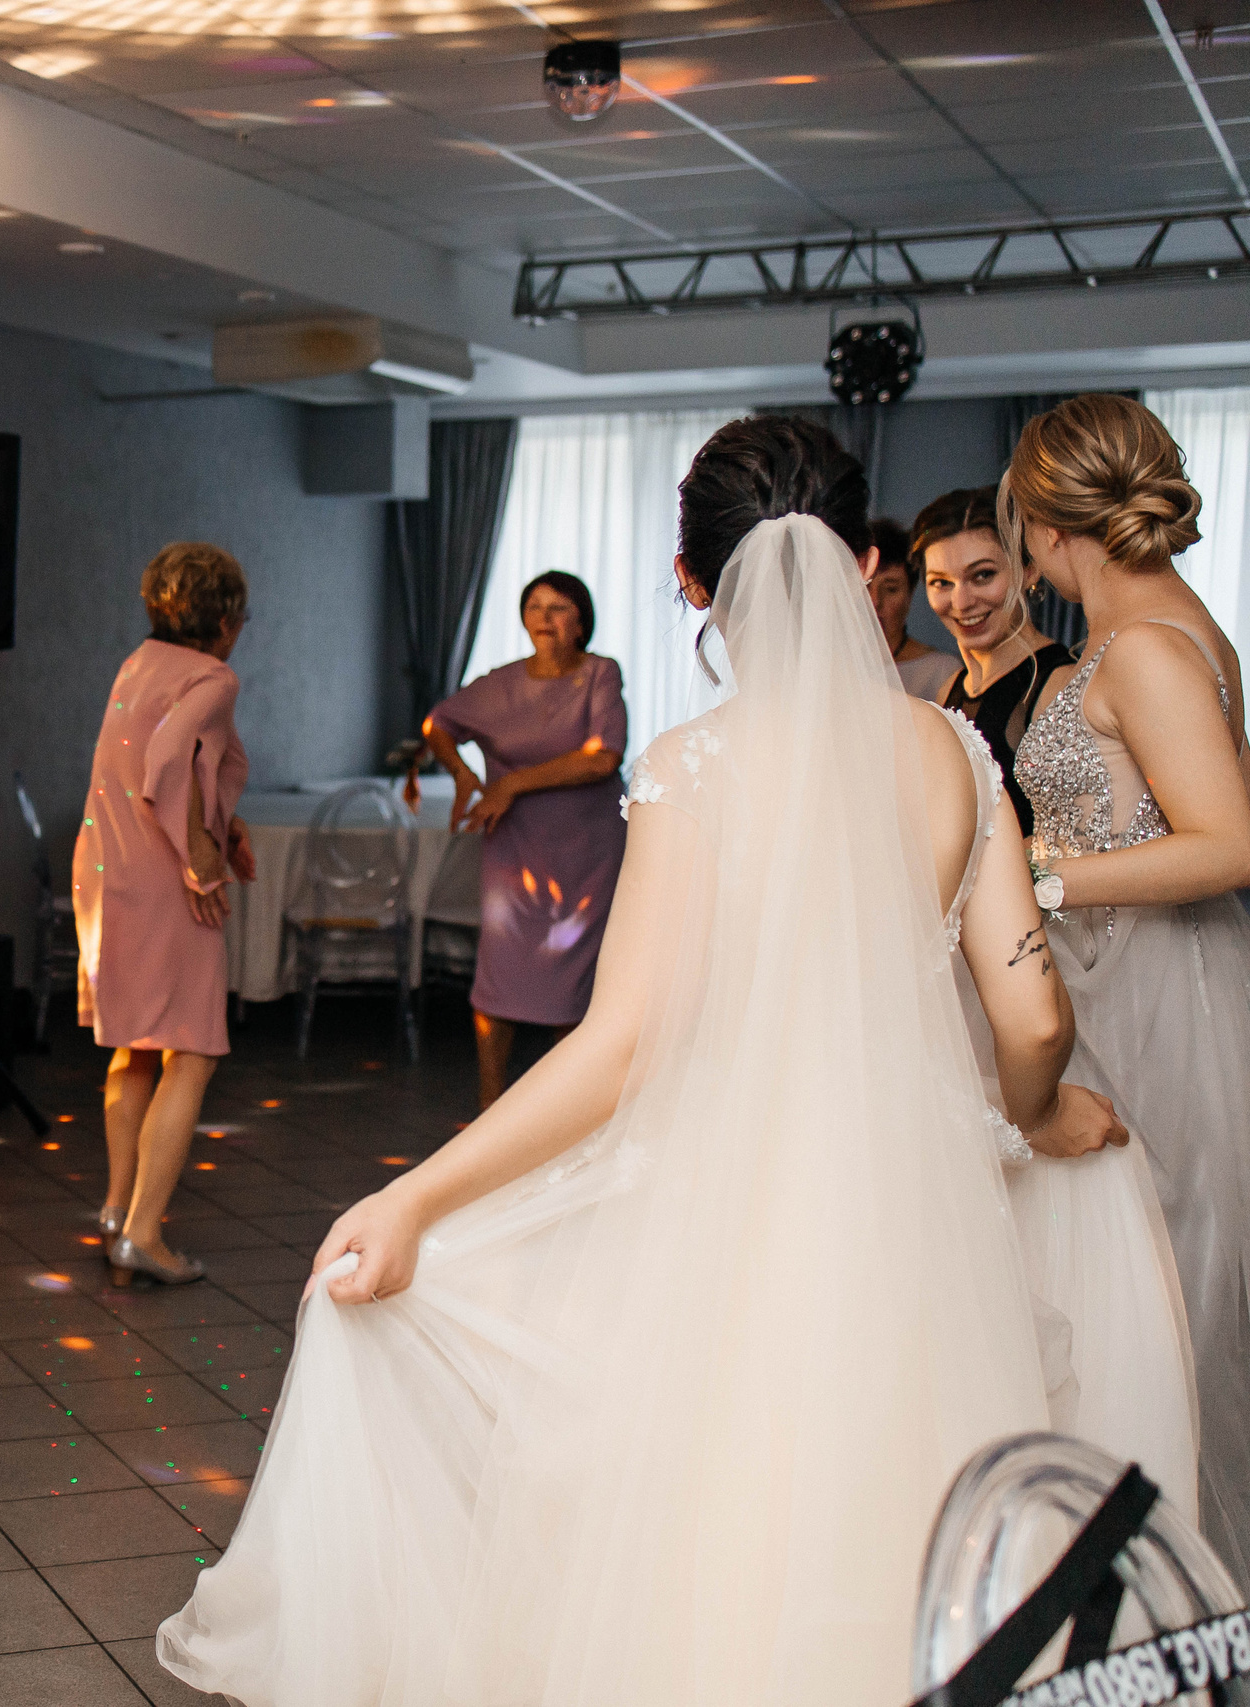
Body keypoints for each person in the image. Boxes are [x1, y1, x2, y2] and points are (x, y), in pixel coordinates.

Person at [161, 415, 1135, 1707]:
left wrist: (413, 1196)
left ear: (695, 583)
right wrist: (1043, 1115)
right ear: (862, 568)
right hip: (920, 1208)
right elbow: (1034, 1021)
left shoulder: (693, 767)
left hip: (720, 1212)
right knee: (901, 1504)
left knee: (712, 1516)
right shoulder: (953, 753)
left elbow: (616, 1048)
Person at [1011, 392, 1250, 1581]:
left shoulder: (1151, 644)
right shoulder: (1144, 629)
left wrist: (1044, 879)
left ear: (1049, 526)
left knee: (1171, 1303)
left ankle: (1177, 1591)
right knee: (1122, 1293)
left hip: (1164, 998)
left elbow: (1227, 841)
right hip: (1111, 979)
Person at [71, 543, 254, 1287]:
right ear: (229, 617)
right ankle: (144, 1231)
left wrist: (220, 828)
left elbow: (141, 762)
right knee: (194, 1048)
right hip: (162, 878)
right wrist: (201, 856)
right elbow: (169, 758)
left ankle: (119, 1207)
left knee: (137, 1045)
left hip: (109, 867)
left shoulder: (138, 662)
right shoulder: (213, 675)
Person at [423, 572, 626, 1110]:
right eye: (534, 606)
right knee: (500, 972)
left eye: (558, 607)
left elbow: (604, 756)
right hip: (515, 850)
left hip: (589, 851)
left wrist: (511, 781)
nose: (544, 616)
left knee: (577, 977)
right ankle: (492, 1106)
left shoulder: (599, 675)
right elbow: (437, 724)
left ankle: (571, 1108)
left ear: (581, 620)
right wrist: (465, 776)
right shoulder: (500, 684)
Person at [916, 487, 1076, 836]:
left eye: (982, 575)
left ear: (1029, 569)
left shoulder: (1058, 681)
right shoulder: (951, 689)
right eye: (940, 582)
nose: (961, 601)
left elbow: (1070, 836)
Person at [869, 514, 959, 698]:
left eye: (891, 589)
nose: (875, 601)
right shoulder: (828, 665)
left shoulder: (942, 671)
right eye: (865, 587)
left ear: (910, 594)